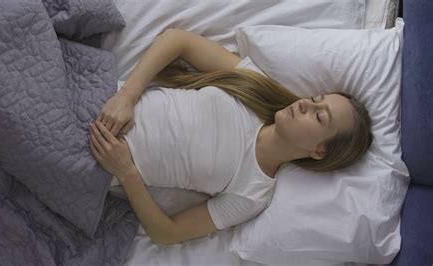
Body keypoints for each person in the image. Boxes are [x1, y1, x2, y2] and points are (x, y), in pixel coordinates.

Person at [88, 28, 373, 246]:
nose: (305, 104)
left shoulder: (252, 193)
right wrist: (127, 96)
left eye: (319, 116)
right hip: (101, 96)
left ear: (319, 151)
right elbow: (177, 40)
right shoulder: (254, 86)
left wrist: (126, 171)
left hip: (95, 163)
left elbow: (168, 233)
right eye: (315, 98)